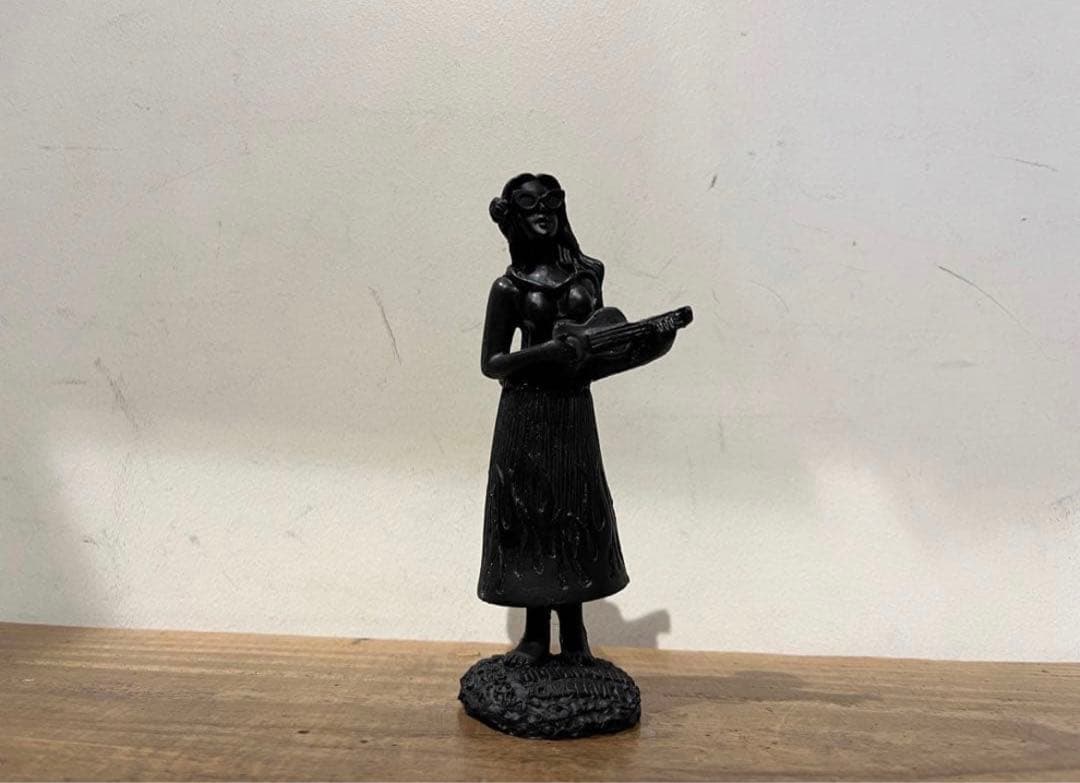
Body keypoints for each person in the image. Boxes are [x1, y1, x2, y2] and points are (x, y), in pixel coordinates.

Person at [477, 172, 672, 664]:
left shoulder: (589, 274)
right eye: (530, 205)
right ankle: (535, 636)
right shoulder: (508, 287)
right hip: (526, 411)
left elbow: (601, 344)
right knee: (531, 515)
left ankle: (575, 635)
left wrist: (646, 342)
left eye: (551, 201)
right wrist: (546, 353)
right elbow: (492, 363)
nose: (543, 212)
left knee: (575, 511)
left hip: (572, 408)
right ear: (513, 217)